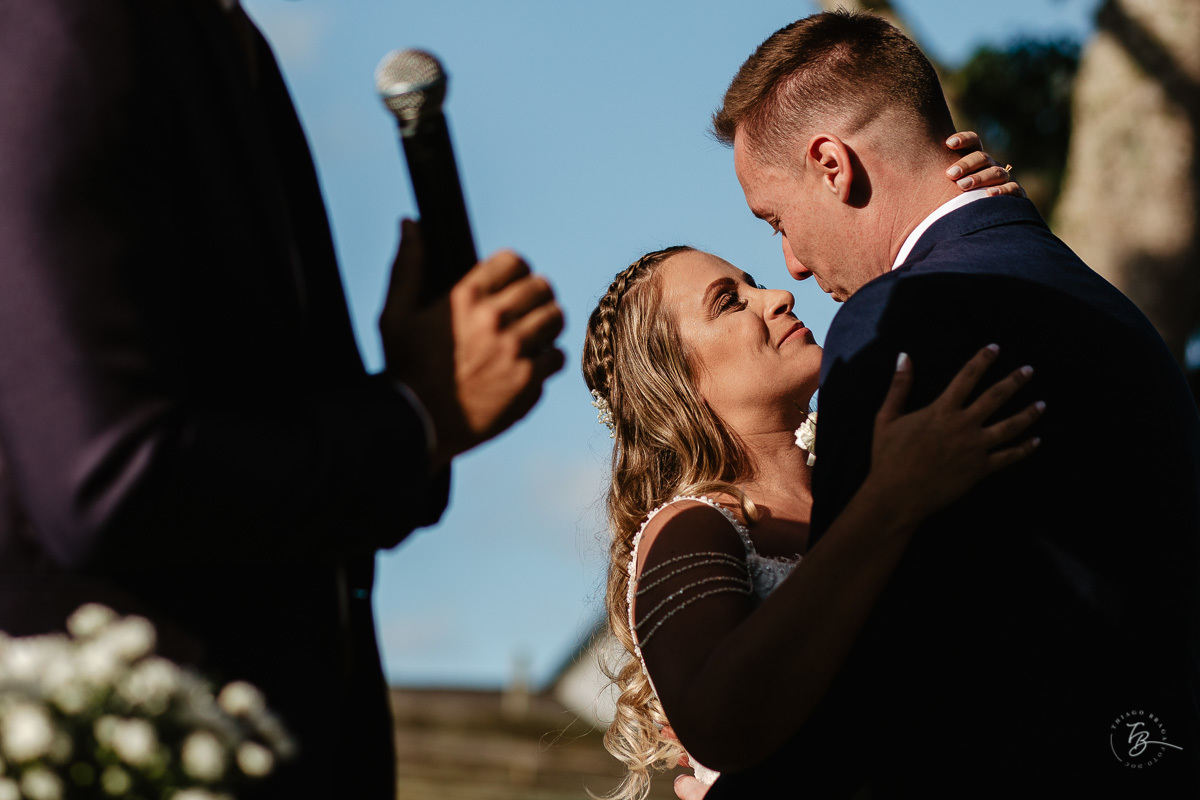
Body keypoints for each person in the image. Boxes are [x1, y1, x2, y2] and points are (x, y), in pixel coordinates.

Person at [0, 1, 562, 797]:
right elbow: (107, 479)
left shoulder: (214, 32)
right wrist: (415, 416)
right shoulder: (75, 23)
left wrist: (413, 401)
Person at [698, 10, 1200, 798]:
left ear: (833, 164)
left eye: (777, 220)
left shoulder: (902, 319)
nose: (791, 265)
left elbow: (885, 672)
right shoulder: (1109, 310)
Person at [581, 141, 1033, 799]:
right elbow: (717, 718)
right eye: (729, 302)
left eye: (754, 283)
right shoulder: (691, 530)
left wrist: (971, 218)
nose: (777, 298)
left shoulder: (880, 459)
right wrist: (890, 504)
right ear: (675, 383)